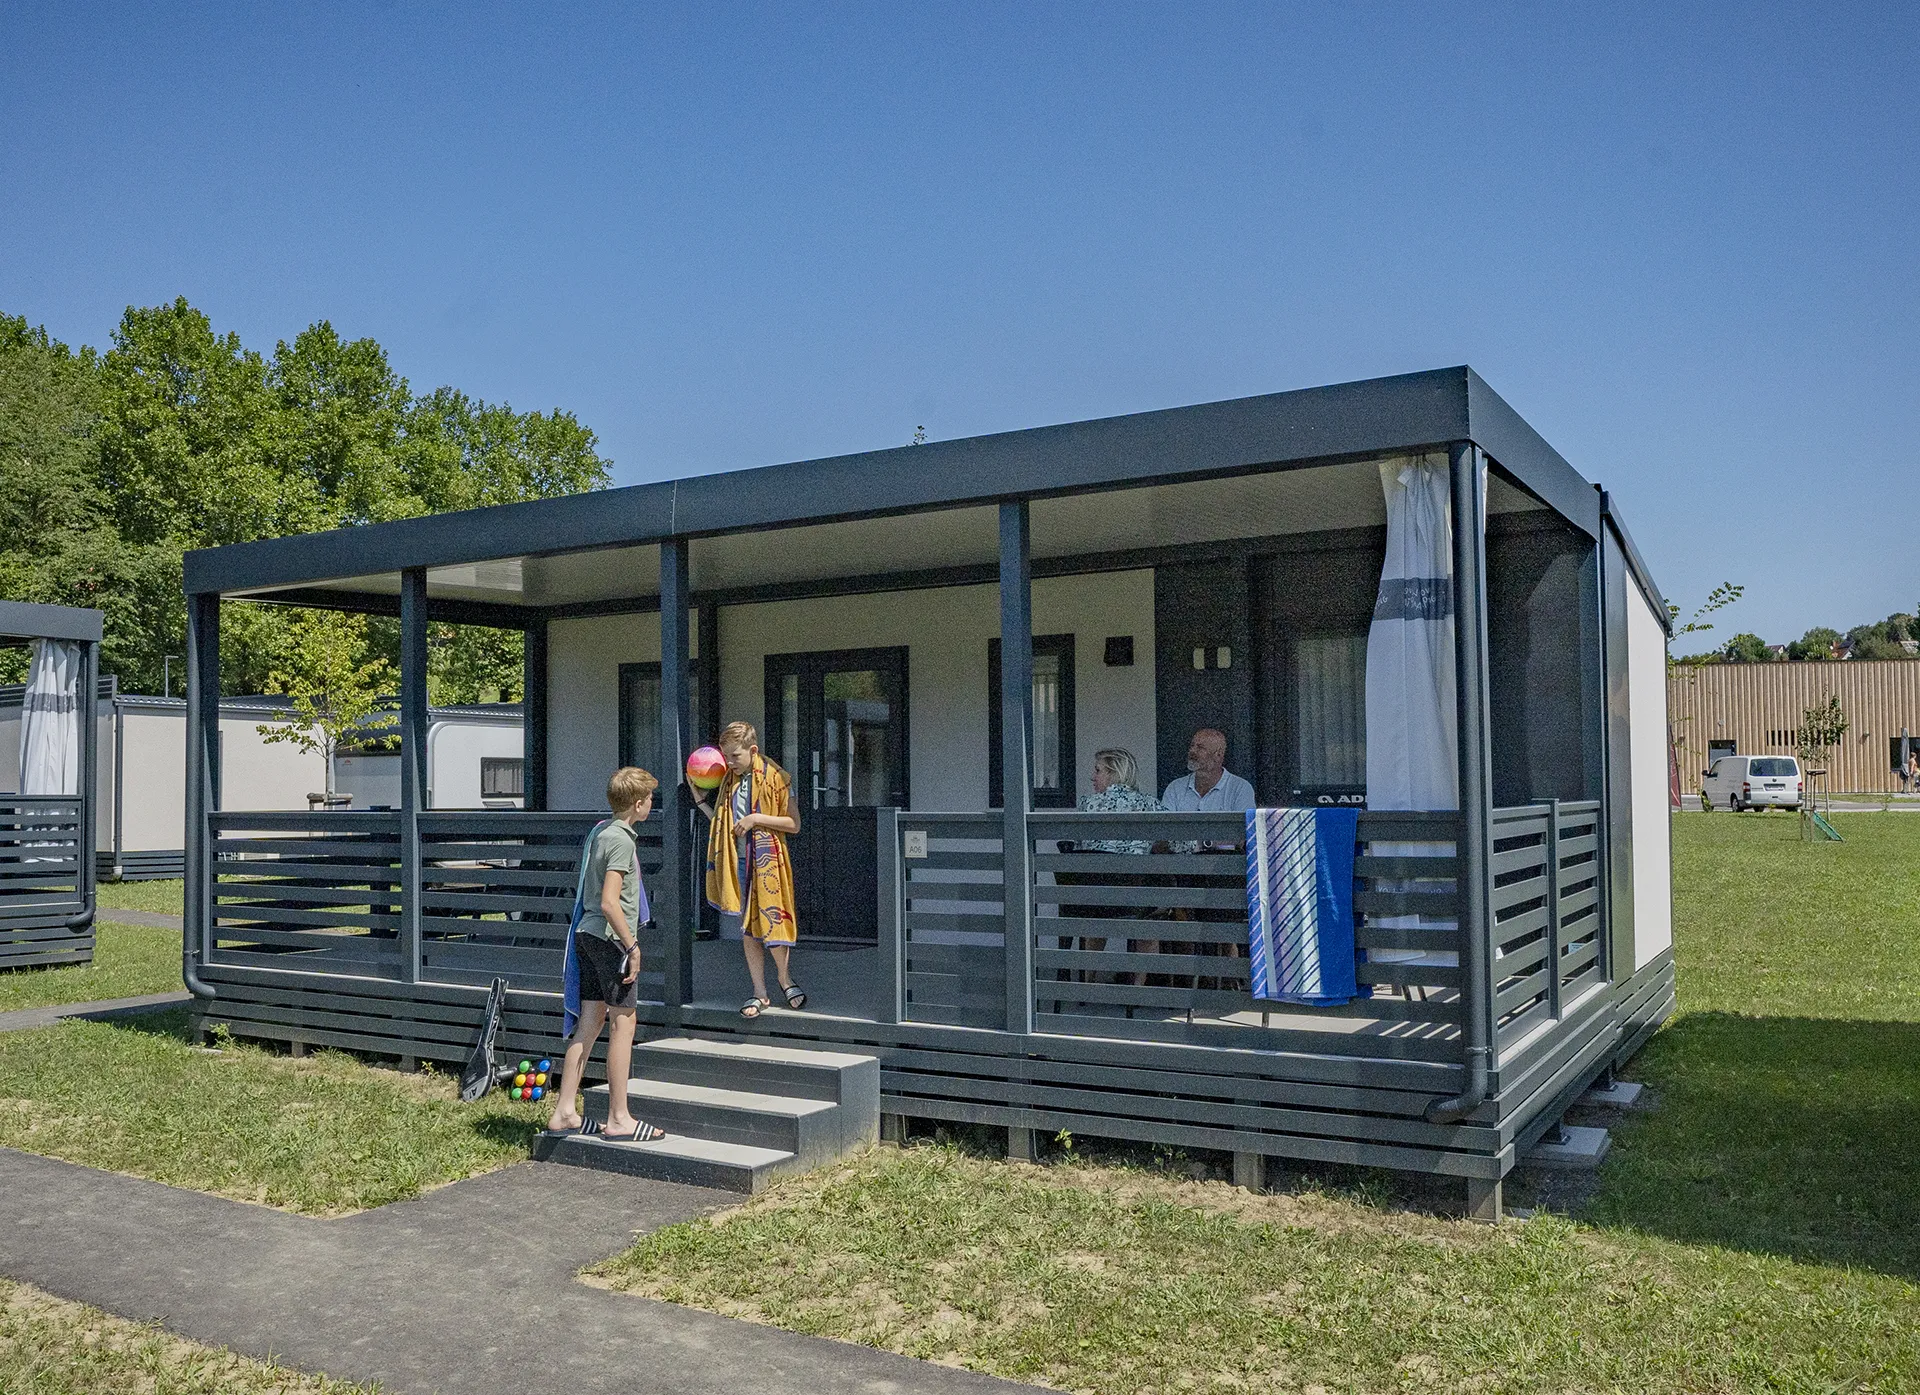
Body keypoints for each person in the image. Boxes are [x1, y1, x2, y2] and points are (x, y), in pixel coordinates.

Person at [546, 766, 666, 1142]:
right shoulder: (621, 841)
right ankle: (619, 1118)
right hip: (610, 939)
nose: (651, 804)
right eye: (649, 799)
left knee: (591, 1021)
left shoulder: (601, 831)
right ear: (637, 803)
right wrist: (632, 946)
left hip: (587, 936)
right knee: (622, 1025)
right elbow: (610, 902)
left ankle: (565, 1111)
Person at [693, 721, 804, 1019]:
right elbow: (724, 821)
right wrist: (702, 802)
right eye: (725, 756)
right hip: (738, 861)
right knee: (749, 927)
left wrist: (756, 818)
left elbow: (794, 824)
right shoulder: (731, 779)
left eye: (735, 756)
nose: (728, 763)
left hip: (767, 861)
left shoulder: (777, 778)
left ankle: (785, 978)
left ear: (753, 750)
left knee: (774, 920)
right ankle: (759, 992)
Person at [1160, 728, 1257, 812]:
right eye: (1192, 746)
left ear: (1218, 755)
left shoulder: (1240, 789)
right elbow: (1164, 829)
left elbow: (1244, 829)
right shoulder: (1175, 788)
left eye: (1200, 748)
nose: (1192, 751)